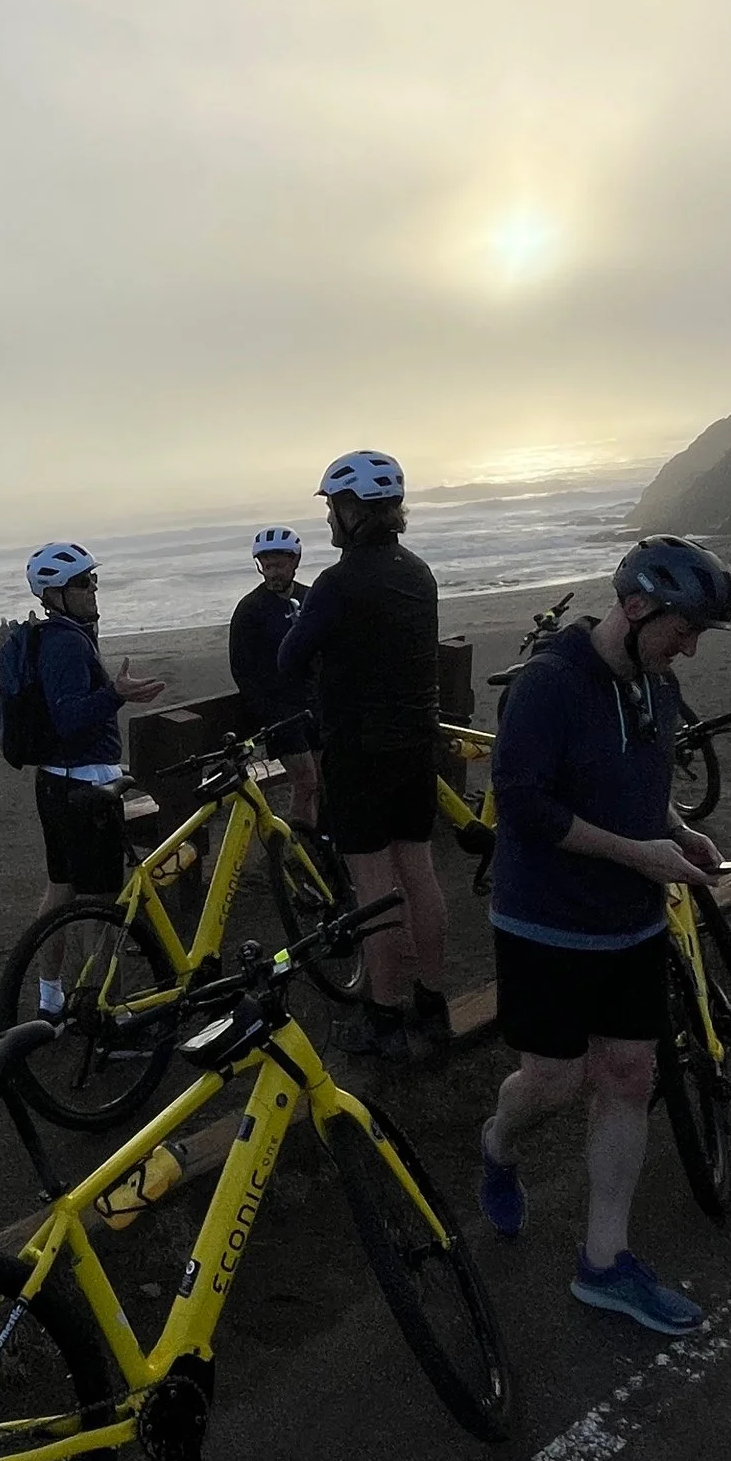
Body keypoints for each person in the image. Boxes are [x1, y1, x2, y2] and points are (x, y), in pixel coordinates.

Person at [477, 537, 731, 1337]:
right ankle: (497, 1141)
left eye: (697, 634)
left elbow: (640, 784)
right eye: (683, 628)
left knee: (627, 1074)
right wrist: (638, 854)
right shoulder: (549, 687)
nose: (688, 646)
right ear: (635, 608)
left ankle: (604, 1261)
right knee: (552, 1082)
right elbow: (525, 806)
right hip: (544, 922)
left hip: (631, 921)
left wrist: (678, 828)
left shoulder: (658, 685)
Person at [274, 452, 450, 1062]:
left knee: (376, 888)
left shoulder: (337, 583)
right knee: (420, 876)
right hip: (414, 746)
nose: (327, 520)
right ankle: (432, 1004)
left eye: (331, 508)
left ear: (352, 513)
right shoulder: (419, 572)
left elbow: (289, 661)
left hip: (358, 754)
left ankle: (384, 1019)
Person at [21, 544, 165, 1007]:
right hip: (83, 788)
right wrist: (116, 697)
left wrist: (117, 694)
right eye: (83, 583)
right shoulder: (64, 641)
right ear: (56, 594)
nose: (93, 589)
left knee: (61, 890)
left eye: (93, 580)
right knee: (102, 906)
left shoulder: (61, 634)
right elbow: (68, 717)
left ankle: (50, 998)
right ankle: (105, 1013)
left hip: (58, 781)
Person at [226, 524, 321, 827]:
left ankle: (320, 847)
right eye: (267, 565)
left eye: (279, 564)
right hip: (281, 713)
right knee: (305, 780)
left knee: (323, 780)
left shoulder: (311, 598)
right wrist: (267, 712)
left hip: (317, 705)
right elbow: (242, 670)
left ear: (295, 561)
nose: (273, 572)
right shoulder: (250, 610)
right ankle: (296, 846)